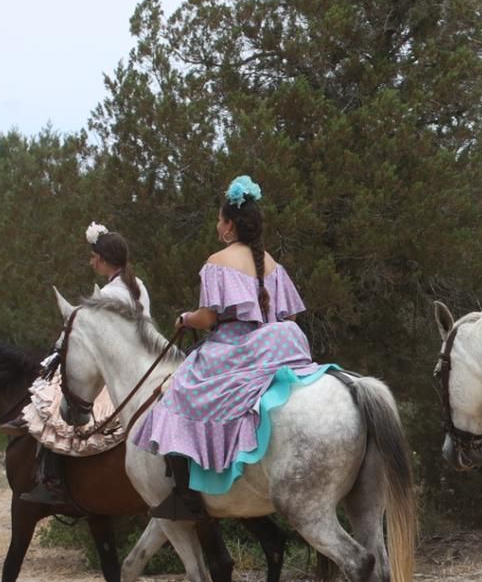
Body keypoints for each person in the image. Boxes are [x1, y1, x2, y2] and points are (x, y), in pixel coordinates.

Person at [130, 175, 332, 519]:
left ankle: (186, 494)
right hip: (279, 345)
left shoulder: (218, 262)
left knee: (180, 390)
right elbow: (291, 317)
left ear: (229, 226)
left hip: (236, 345)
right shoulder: (272, 264)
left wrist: (184, 319)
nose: (217, 224)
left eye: (220, 219)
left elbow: (208, 319)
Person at [21, 223, 151, 505]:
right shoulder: (137, 286)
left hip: (114, 371)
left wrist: (57, 352)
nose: (91, 261)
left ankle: (53, 481)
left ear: (103, 259)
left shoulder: (108, 295)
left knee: (52, 409)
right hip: (139, 364)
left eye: (94, 256)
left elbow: (85, 333)